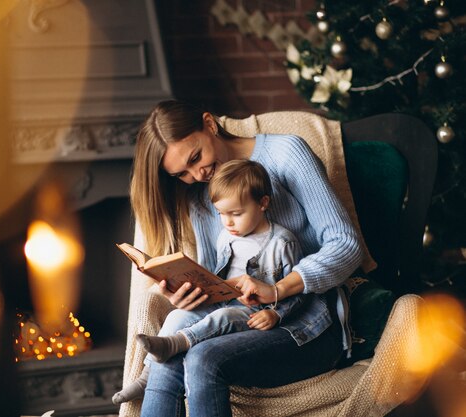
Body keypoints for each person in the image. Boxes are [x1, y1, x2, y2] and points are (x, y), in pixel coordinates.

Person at [126, 100, 363, 417]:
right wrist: (191, 293)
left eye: (196, 157)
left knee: (202, 358)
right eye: (182, 173)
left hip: (309, 324)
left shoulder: (286, 153)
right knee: (172, 351)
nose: (198, 174)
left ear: (209, 124)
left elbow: (345, 244)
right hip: (243, 321)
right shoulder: (202, 196)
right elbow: (221, 279)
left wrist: (279, 289)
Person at [113, 159, 333, 405]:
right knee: (177, 317)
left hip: (255, 312)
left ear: (263, 203)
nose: (227, 222)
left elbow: (300, 293)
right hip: (225, 301)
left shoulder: (282, 243)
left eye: (236, 214)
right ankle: (146, 377)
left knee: (224, 318)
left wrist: (276, 315)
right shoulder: (225, 237)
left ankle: (177, 343)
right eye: (221, 214)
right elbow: (219, 276)